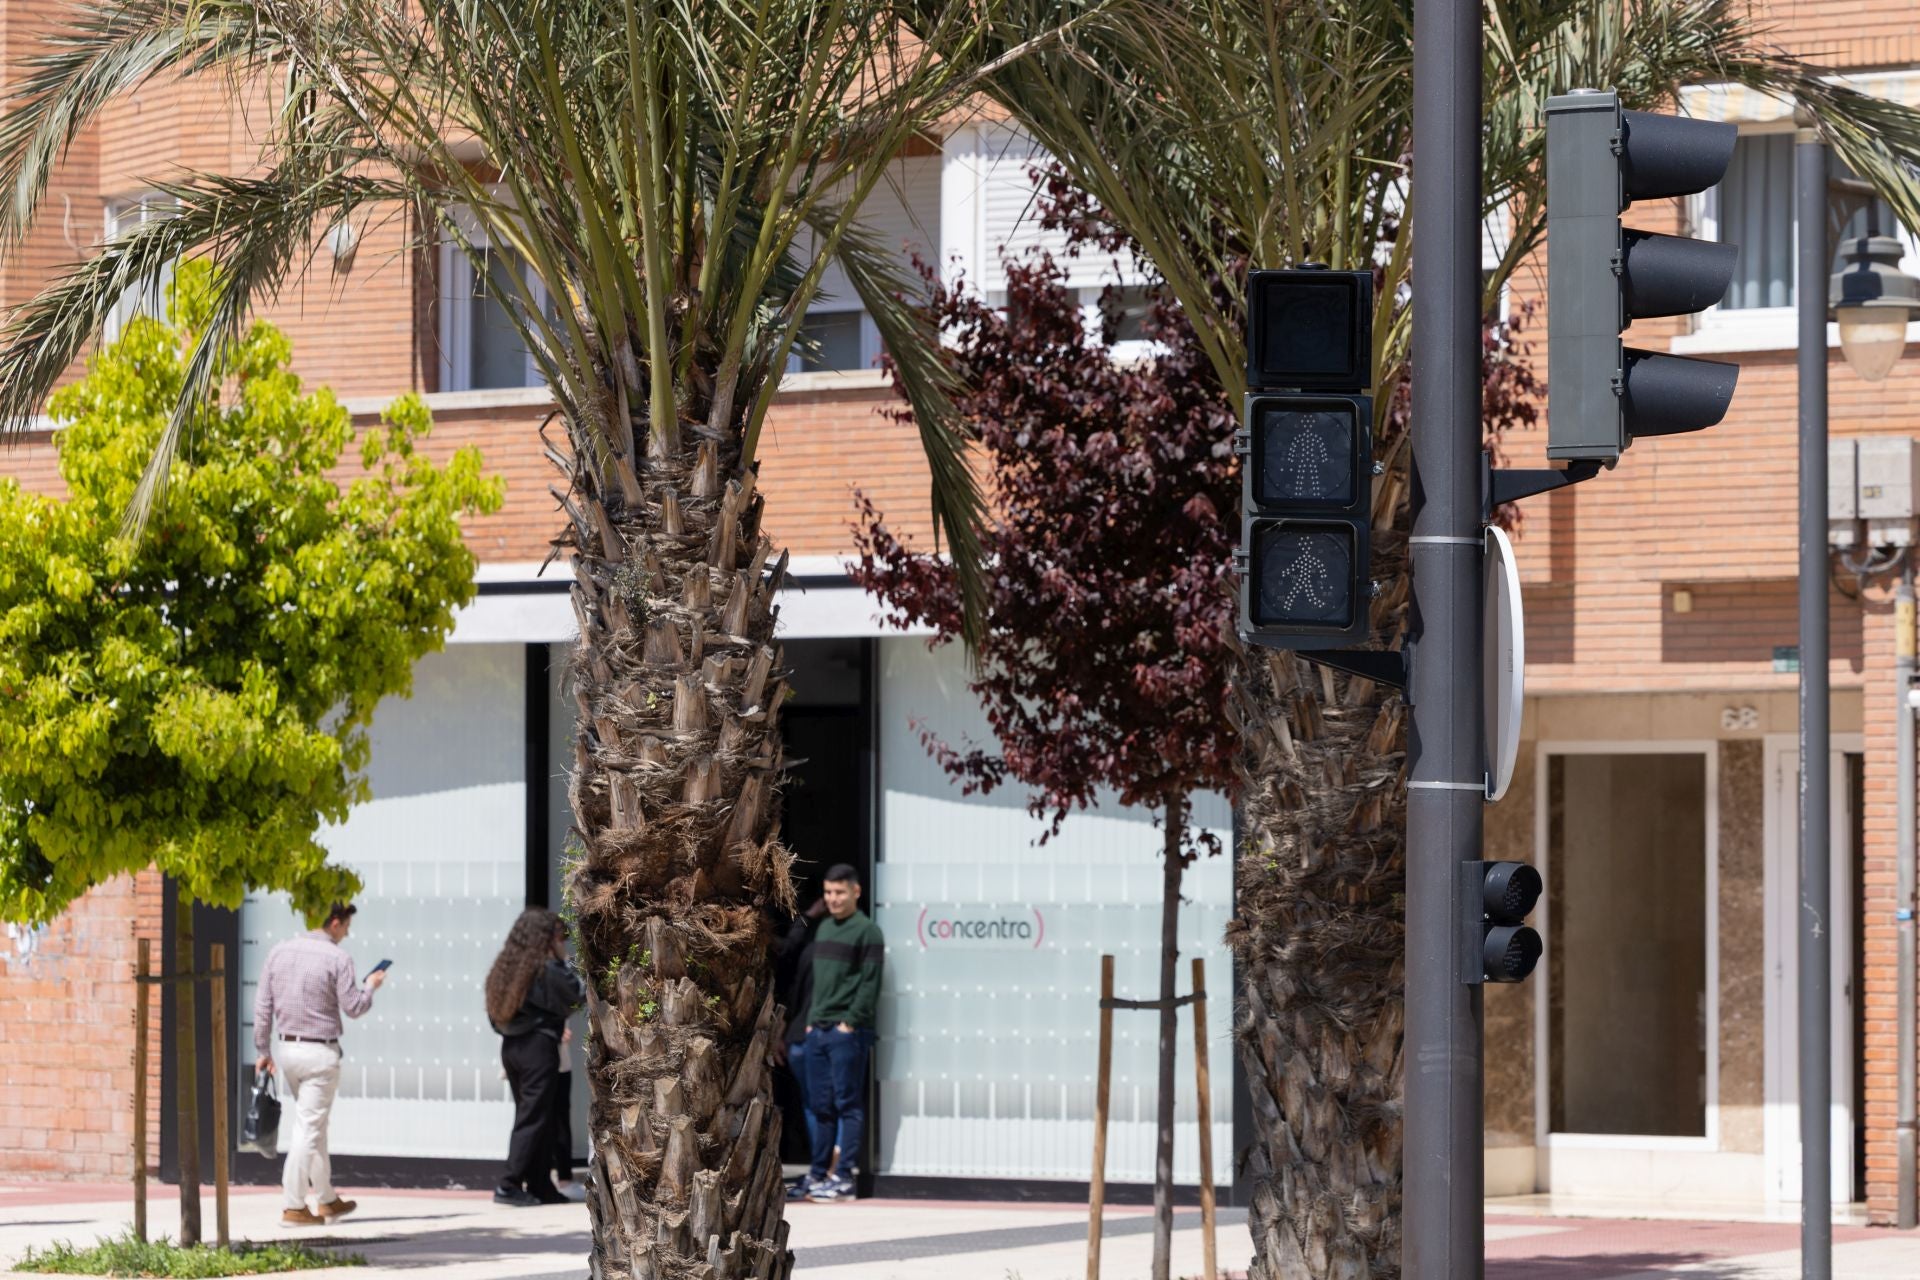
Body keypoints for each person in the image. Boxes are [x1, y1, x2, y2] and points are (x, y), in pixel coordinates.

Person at [253, 902, 387, 1227]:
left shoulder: (279, 952)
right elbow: (354, 1007)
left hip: (287, 1050)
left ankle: (326, 1199)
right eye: (347, 926)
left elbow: (263, 1005)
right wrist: (371, 986)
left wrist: (262, 1049)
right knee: (309, 1129)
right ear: (336, 923)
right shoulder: (338, 958)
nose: (348, 933)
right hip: (320, 1055)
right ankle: (293, 1205)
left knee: (315, 1126)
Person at [485, 908, 585, 1207]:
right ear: (547, 937)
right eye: (560, 936)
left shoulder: (508, 969)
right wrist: (566, 962)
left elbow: (495, 1017)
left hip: (513, 1048)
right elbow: (577, 995)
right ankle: (509, 1184)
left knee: (538, 1116)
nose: (563, 941)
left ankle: (541, 1184)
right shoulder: (547, 968)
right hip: (538, 1048)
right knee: (534, 1118)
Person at [799, 864, 884, 1203]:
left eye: (839, 892)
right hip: (817, 1030)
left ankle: (844, 1177)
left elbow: (870, 983)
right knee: (821, 1106)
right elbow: (819, 983)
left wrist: (848, 1023)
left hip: (847, 1033)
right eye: (828, 892)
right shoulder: (823, 929)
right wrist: (811, 1020)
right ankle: (818, 1174)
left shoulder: (868, 932)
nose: (833, 899)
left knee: (847, 1103)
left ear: (856, 892)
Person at [776, 896, 831, 1200]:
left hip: (811, 1035)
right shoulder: (810, 949)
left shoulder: (822, 946)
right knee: (815, 1106)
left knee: (819, 1106)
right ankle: (820, 1171)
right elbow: (785, 956)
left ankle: (823, 1171)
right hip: (802, 1036)